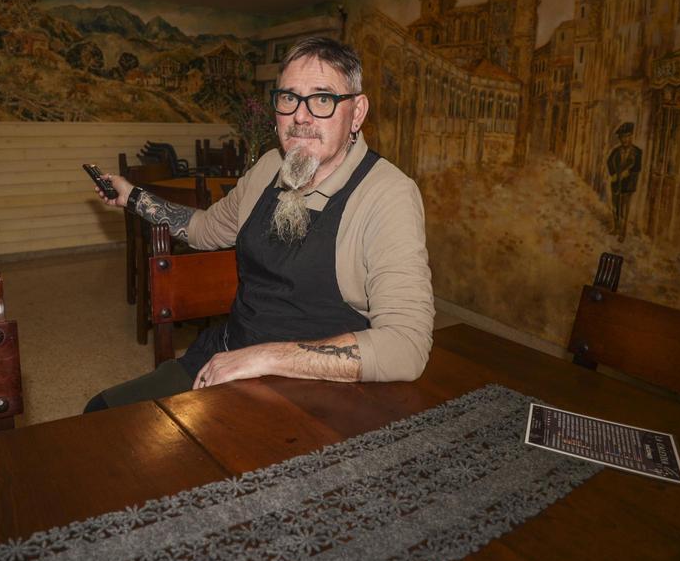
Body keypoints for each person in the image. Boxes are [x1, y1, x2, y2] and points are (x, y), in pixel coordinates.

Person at [84, 36, 434, 412]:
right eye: (288, 98)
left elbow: (406, 346)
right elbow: (203, 229)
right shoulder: (269, 166)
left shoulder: (388, 194)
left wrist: (263, 358)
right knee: (102, 414)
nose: (300, 116)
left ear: (357, 111)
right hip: (224, 357)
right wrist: (134, 197)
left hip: (318, 396)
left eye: (322, 99)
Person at [607, 121, 642, 241]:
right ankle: (616, 227)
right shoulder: (616, 151)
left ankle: (623, 232)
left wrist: (629, 173)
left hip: (628, 185)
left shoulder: (637, 152)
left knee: (624, 208)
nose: (625, 139)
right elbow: (609, 162)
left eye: (627, 136)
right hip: (616, 183)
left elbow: (638, 167)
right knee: (615, 206)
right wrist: (613, 175)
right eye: (622, 137)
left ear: (631, 136)